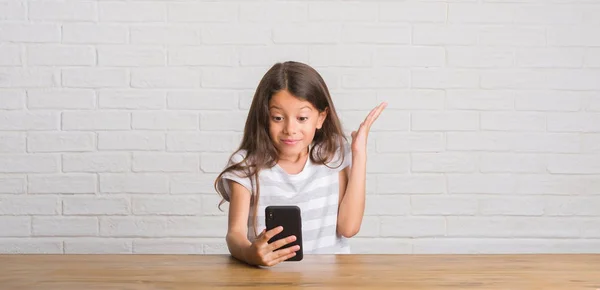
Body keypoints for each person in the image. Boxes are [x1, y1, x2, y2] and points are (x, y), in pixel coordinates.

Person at [214, 61, 386, 267]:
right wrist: (250, 253)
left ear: (320, 118)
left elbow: (348, 228)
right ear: (264, 117)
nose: (290, 129)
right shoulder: (245, 165)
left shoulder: (334, 154)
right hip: (268, 280)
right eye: (278, 117)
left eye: (302, 118)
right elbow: (235, 235)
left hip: (330, 279)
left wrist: (359, 155)